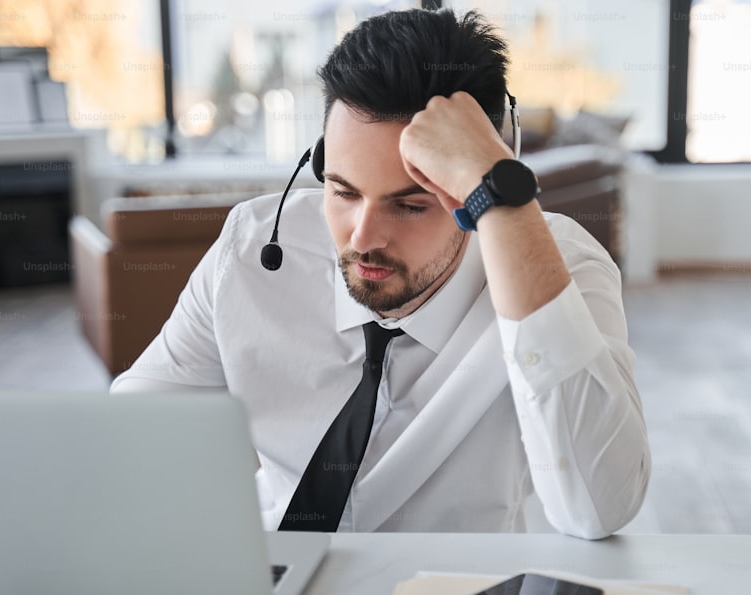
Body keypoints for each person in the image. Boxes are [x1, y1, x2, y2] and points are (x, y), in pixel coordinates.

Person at [111, 7, 650, 540]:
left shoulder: (556, 263)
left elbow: (597, 508)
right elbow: (133, 432)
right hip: (266, 579)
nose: (362, 236)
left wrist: (503, 197)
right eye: (342, 192)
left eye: (411, 206)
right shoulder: (256, 246)